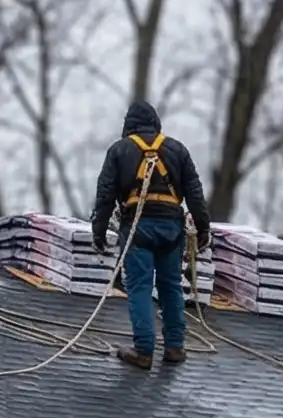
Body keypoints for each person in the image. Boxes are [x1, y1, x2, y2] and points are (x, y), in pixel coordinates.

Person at [89, 100, 210, 371]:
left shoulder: (119, 150)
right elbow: (195, 193)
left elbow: (105, 195)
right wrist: (203, 229)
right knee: (170, 287)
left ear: (128, 126)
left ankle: (144, 350)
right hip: (171, 230)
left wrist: (98, 233)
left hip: (137, 228)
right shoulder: (178, 150)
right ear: (156, 124)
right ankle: (175, 347)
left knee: (140, 287)